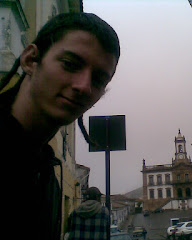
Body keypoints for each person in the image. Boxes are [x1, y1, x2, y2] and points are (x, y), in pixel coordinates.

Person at [0, 13, 120, 239]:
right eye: (70, 65)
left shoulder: (48, 179)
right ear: (30, 60)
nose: (84, 86)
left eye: (98, 79)